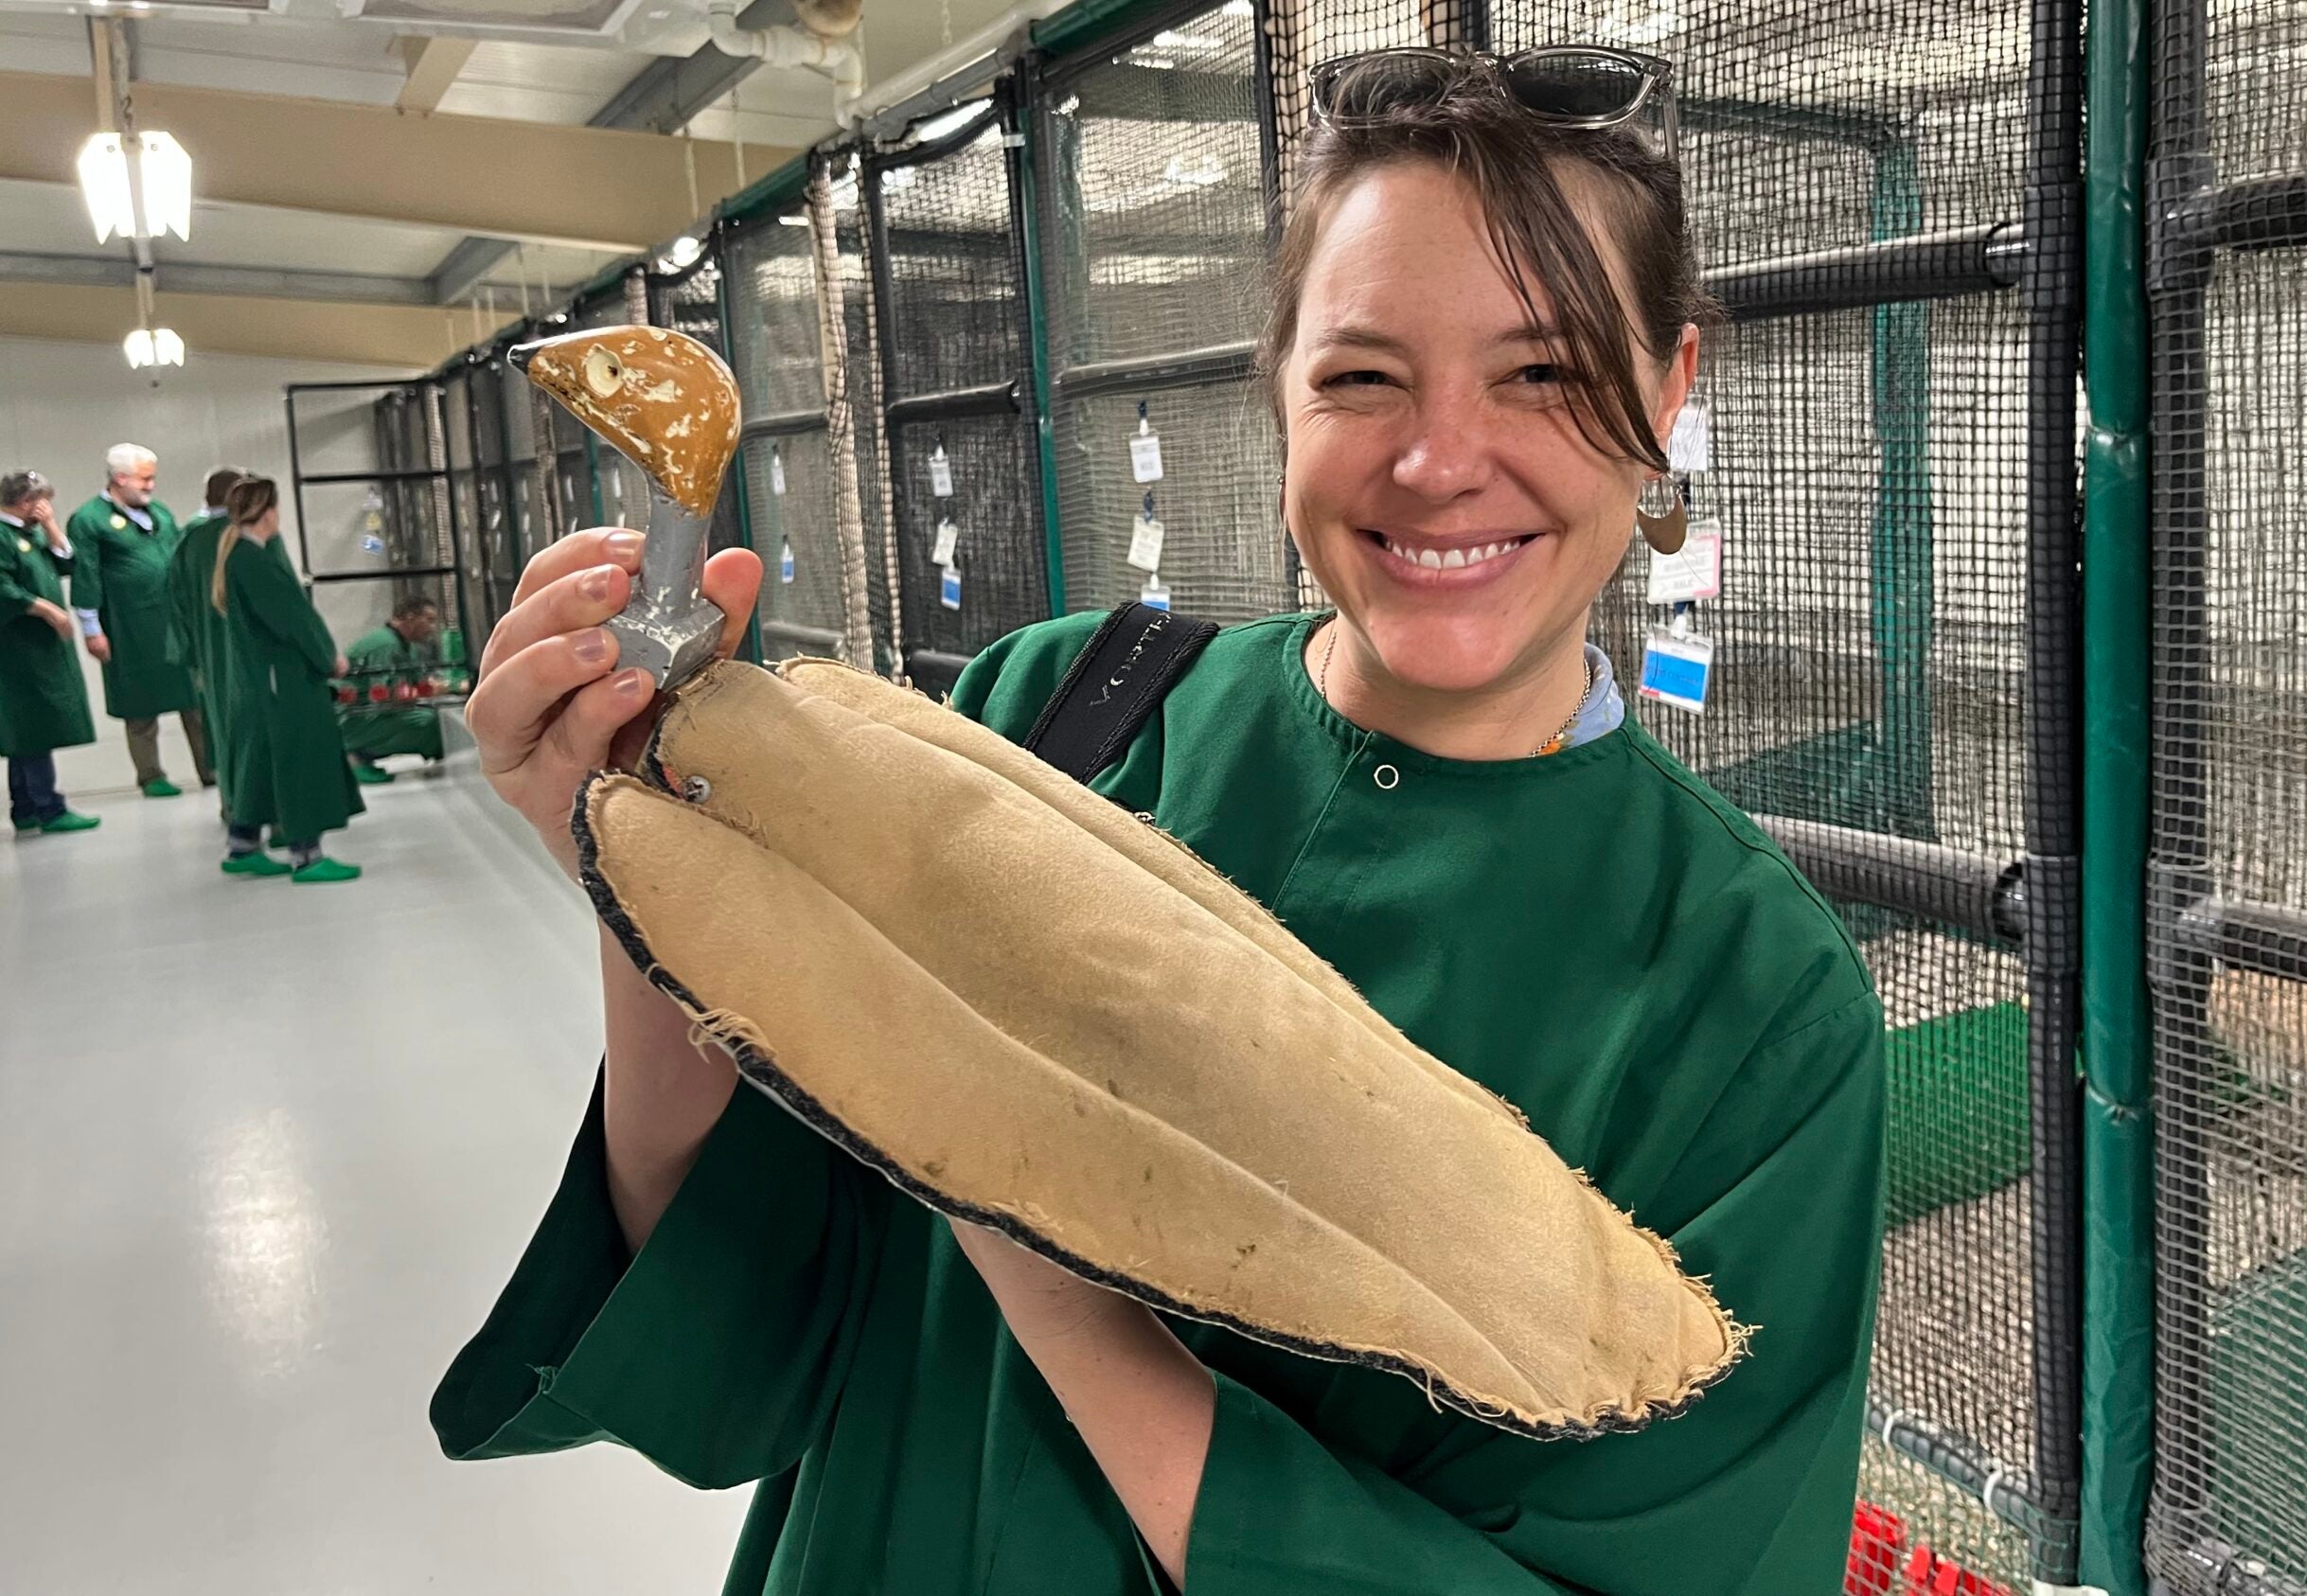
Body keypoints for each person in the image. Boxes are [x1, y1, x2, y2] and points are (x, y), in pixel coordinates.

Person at [435, 47, 1885, 1596]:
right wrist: (634, 865)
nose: (1443, 460)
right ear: (1275, 391)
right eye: (1361, 373)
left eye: (1544, 372)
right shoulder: (1058, 719)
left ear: (1668, 395)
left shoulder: (1753, 1007)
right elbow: (757, 1337)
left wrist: (1012, 1177)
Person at [210, 476, 364, 883]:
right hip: (287, 681)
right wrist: (329, 658)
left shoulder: (240, 556)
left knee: (263, 763)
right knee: (300, 763)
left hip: (268, 680)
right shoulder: (255, 561)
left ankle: (243, 845)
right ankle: (307, 856)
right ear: (268, 511)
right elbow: (293, 621)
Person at [66, 442, 213, 797]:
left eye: (152, 479)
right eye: (144, 479)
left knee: (194, 699)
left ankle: (211, 769)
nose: (150, 486)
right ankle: (151, 775)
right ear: (120, 479)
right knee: (139, 705)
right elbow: (85, 575)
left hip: (174, 622)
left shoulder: (158, 511)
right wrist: (91, 629)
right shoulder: (89, 520)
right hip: (127, 626)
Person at [2, 471, 100, 835]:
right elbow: (4, 589)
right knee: (33, 728)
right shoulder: (2, 536)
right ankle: (49, 808)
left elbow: (68, 563)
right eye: (41, 501)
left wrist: (51, 526)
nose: (45, 507)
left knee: (25, 733)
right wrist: (48, 609)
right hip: (19, 653)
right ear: (25, 502)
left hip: (41, 651)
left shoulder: (30, 534)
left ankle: (24, 807)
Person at [169, 467, 246, 816]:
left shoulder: (190, 539)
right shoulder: (242, 537)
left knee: (220, 728)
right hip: (247, 651)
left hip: (207, 655)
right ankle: (262, 815)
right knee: (252, 728)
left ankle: (233, 806)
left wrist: (190, 652)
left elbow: (174, 598)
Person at [341, 594, 447, 784]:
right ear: (410, 617)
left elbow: (416, 683)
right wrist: (426, 692)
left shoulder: (404, 645)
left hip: (368, 714)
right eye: (428, 620)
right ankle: (355, 752)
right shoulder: (386, 645)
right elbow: (384, 696)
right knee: (429, 722)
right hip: (353, 719)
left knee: (433, 715)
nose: (432, 628)